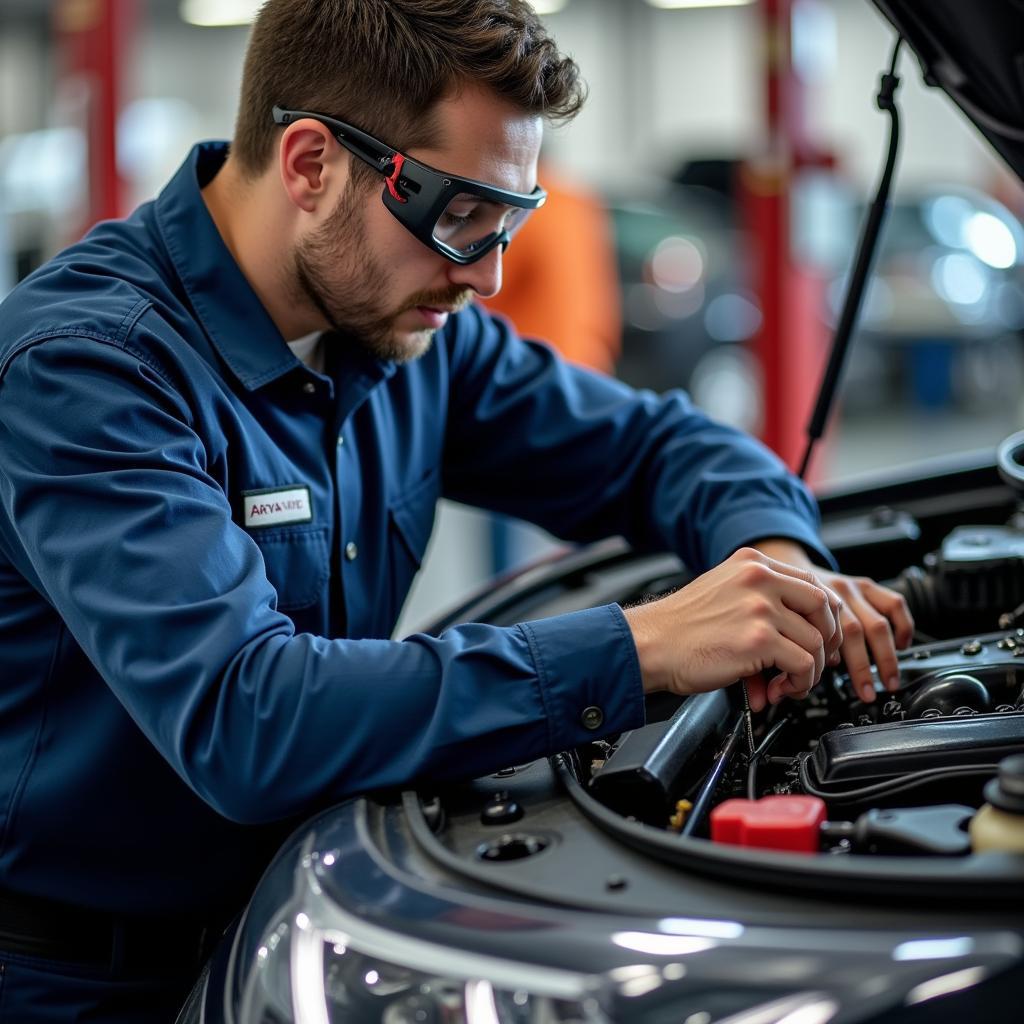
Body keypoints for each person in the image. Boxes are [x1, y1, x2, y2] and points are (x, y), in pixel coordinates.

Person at [0, 1, 912, 1019]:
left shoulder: (405, 335)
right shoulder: (91, 367)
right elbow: (249, 720)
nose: (487, 275)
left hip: (289, 914)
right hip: (77, 981)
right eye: (460, 215)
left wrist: (775, 564)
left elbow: (663, 447)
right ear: (309, 164)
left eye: (509, 221)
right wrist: (640, 645)